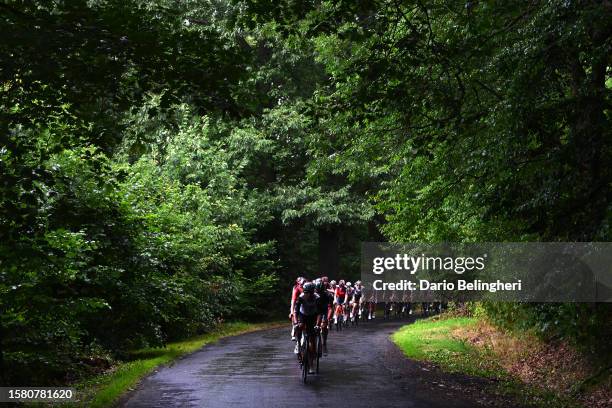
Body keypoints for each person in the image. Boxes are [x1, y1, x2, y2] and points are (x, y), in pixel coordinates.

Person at [294, 282, 325, 374]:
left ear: (312, 292)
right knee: (299, 327)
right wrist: (296, 322)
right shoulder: (301, 297)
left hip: (313, 316)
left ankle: (311, 365)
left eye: (308, 292)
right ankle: (298, 343)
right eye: (305, 292)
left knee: (312, 340)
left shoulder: (317, 298)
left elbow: (320, 313)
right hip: (303, 315)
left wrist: (317, 324)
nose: (306, 294)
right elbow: (296, 311)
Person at [289, 277, 305, 346]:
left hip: (305, 306)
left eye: (304, 283)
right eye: (301, 283)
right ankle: (294, 328)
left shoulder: (307, 288)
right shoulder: (296, 288)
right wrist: (292, 311)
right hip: (296, 304)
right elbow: (293, 300)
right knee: (295, 318)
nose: (303, 284)